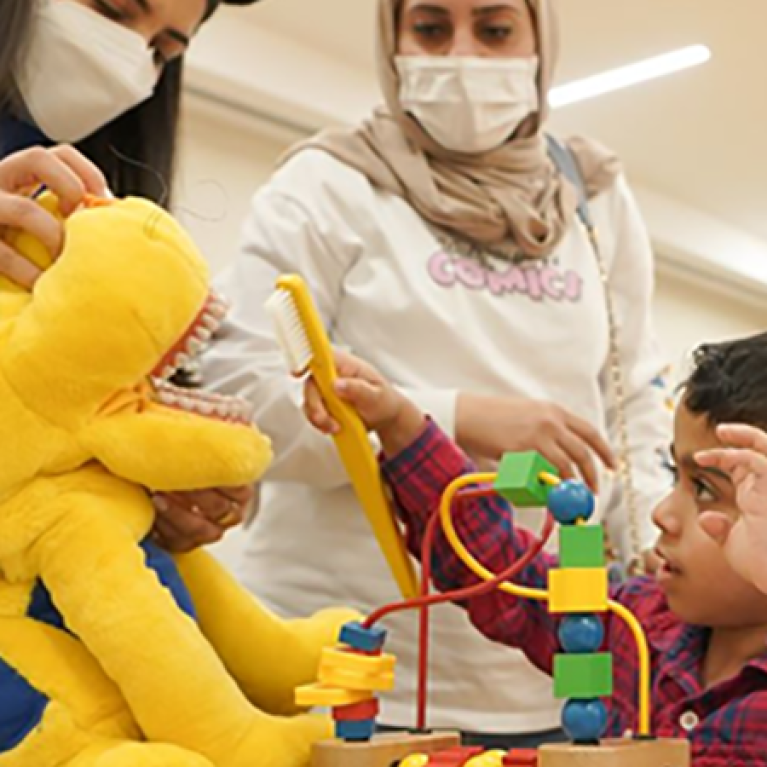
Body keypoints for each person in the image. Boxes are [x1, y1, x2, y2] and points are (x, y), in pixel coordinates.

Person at [201, 0, 672, 747]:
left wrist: (665, 568)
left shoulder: (595, 198)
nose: (461, 55)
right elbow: (238, 397)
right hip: (342, 663)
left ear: (538, 42)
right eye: (429, 27)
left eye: (492, 29)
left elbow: (635, 408)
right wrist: (448, 416)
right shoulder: (329, 182)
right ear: (391, 39)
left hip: (549, 675)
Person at [303, 338, 767, 765]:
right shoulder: (636, 622)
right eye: (674, 477)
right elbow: (502, 576)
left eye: (706, 489)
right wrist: (400, 424)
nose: (663, 514)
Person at [0, 0, 262, 535]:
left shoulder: (92, 206)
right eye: (114, 10)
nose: (126, 60)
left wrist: (153, 489)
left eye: (161, 51)